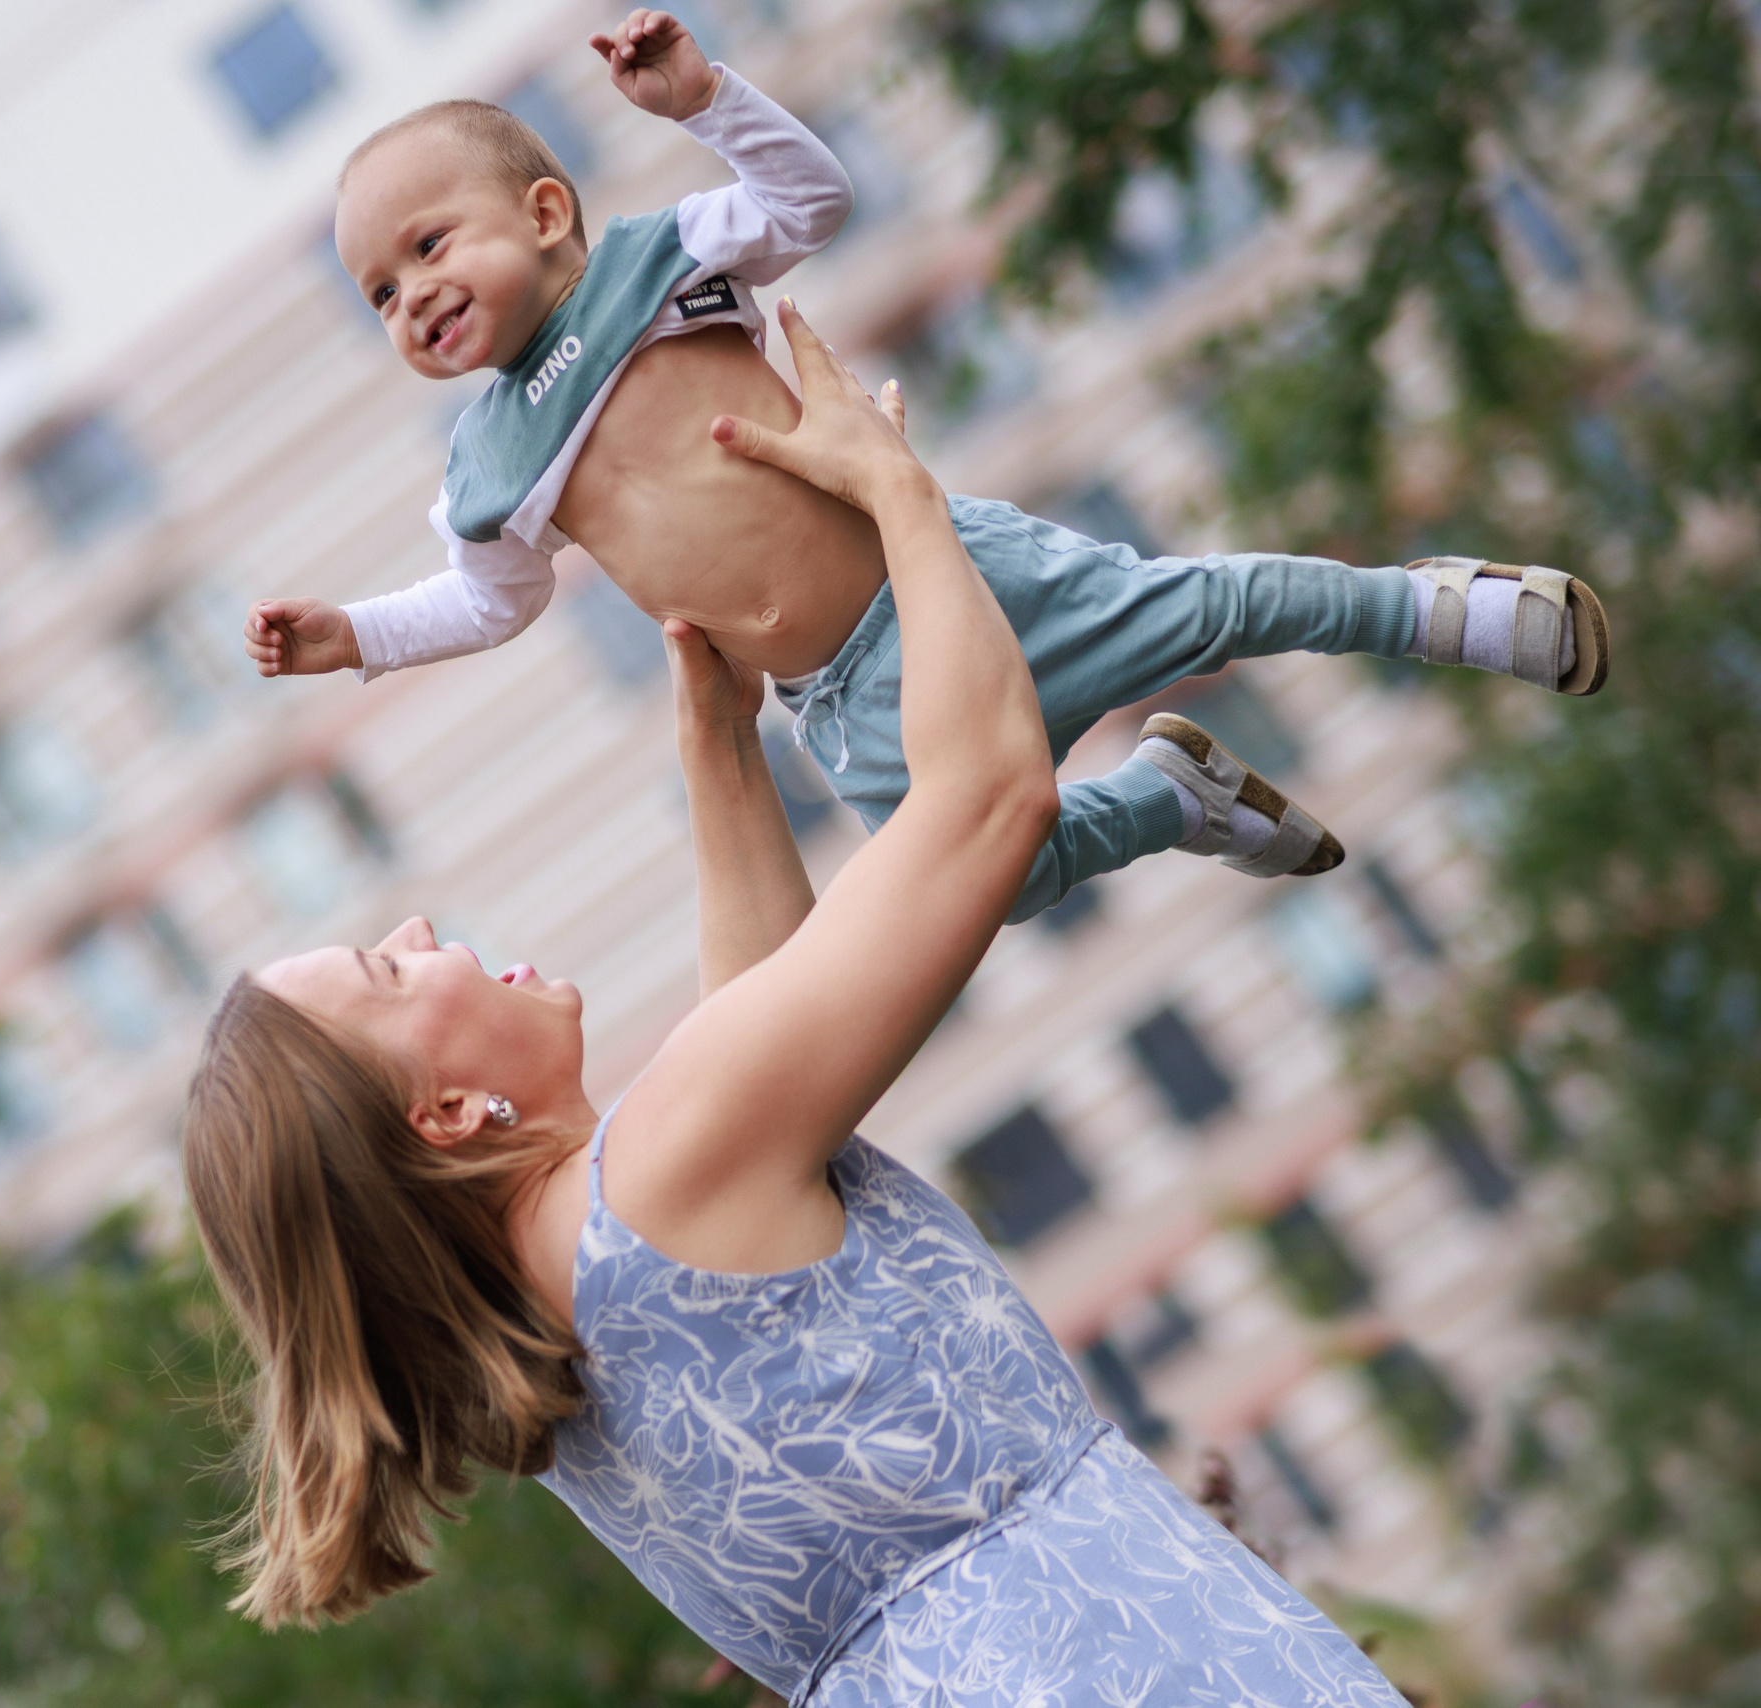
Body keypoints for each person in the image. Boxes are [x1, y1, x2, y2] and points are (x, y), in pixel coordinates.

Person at [187, 304, 1411, 1706]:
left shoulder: (575, 1303)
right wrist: (899, 500)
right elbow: (991, 800)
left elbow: (764, 1026)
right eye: (393, 972)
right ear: (451, 1113)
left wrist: (718, 740)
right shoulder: (659, 1176)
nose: (419, 931)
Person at [243, 8, 1608, 920]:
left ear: (546, 213)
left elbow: (810, 203)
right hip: (838, 699)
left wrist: (708, 100)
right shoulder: (484, 467)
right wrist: (351, 636)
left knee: (1209, 611)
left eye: (429, 246)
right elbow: (491, 600)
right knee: (990, 880)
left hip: (937, 577)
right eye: (377, 291)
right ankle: (1165, 802)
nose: (409, 295)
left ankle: (1441, 609)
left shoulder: (656, 267)